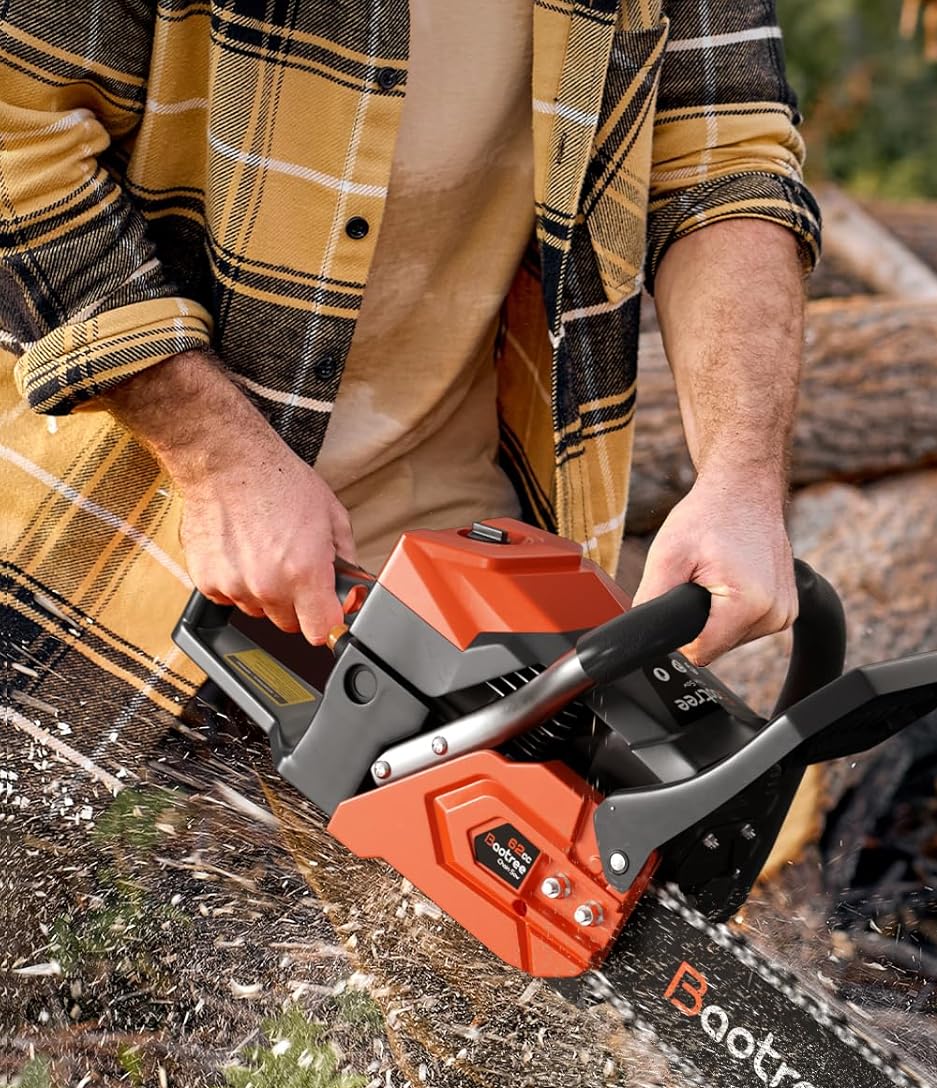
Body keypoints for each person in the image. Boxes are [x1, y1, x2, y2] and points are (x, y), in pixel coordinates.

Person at [0, 0, 820, 680]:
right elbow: (16, 133)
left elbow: (726, 158)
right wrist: (217, 458)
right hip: (93, 515)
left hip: (447, 528)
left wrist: (740, 477)